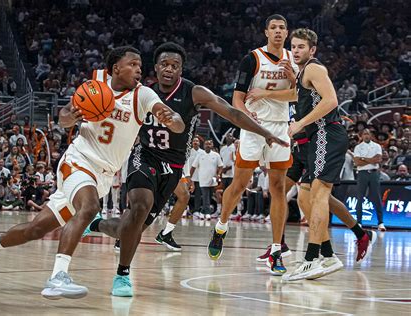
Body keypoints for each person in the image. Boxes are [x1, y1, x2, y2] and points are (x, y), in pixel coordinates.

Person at [0, 46, 185, 300]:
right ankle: (58, 276)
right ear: (115, 69)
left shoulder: (143, 95)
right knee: (88, 209)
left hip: (103, 176)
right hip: (77, 162)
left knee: (35, 229)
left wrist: (172, 118)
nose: (138, 69)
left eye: (140, 65)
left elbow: (175, 121)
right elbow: (65, 114)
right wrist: (68, 118)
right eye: (132, 64)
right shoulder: (95, 85)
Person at [82, 42, 288, 297]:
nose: (169, 69)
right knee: (139, 206)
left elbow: (232, 113)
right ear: (155, 68)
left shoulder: (194, 92)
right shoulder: (142, 92)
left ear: (181, 69)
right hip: (143, 157)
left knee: (130, 228)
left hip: (174, 165)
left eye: (175, 66)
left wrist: (265, 131)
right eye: (164, 65)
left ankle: (98, 225)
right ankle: (123, 275)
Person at [251, 28, 350, 281]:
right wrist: (267, 93)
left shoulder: (315, 69)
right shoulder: (303, 74)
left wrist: (299, 123)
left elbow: (330, 101)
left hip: (327, 133)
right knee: (305, 196)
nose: (295, 51)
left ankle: (311, 259)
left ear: (312, 50)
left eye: (301, 47)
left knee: (318, 194)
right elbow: (295, 94)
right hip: (318, 138)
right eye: (293, 46)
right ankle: (328, 256)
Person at [207, 14, 297, 276]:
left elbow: (296, 96)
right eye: (273, 28)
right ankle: (221, 227)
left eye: (282, 28)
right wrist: (246, 114)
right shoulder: (252, 59)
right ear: (266, 32)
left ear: (287, 32)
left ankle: (277, 250)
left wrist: (288, 82)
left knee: (278, 187)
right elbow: (236, 99)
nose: (278, 32)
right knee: (240, 184)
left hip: (280, 126)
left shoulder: (292, 60)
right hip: (253, 128)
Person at [353, 129, 385, 231]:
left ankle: (380, 223)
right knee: (360, 198)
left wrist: (363, 158)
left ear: (371, 135)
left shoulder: (377, 146)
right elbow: (357, 162)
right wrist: (371, 160)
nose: (366, 136)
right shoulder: (358, 147)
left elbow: (378, 159)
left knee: (377, 197)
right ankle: (359, 222)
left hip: (374, 173)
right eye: (364, 134)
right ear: (361, 136)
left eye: (368, 134)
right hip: (362, 174)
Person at [190, 139, 223, 219]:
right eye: (206, 144)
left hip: (213, 180)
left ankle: (202, 212)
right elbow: (193, 167)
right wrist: (189, 178)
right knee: (205, 196)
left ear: (212, 145)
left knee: (209, 196)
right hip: (202, 179)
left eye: (209, 144)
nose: (208, 145)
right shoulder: (200, 155)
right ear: (204, 145)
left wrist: (218, 174)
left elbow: (221, 166)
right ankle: (207, 213)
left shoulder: (216, 155)